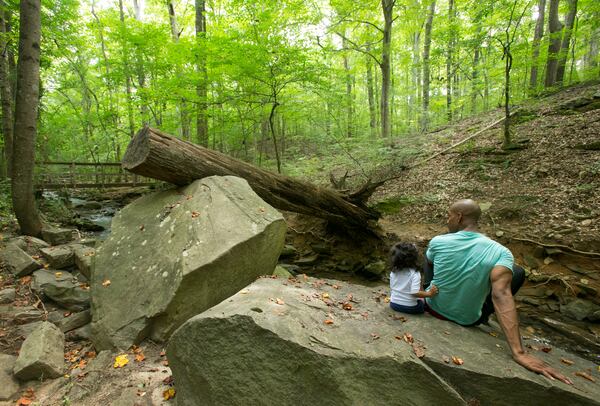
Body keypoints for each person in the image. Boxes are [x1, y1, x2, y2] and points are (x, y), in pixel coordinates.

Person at [424, 199, 572, 384]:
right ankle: (482, 314)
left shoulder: (438, 241)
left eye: (449, 216)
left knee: (430, 256)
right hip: (468, 320)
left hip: (432, 306)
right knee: (516, 272)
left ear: (459, 217)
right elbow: (501, 295)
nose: (447, 220)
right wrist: (519, 353)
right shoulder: (501, 252)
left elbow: (430, 264)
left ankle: (426, 290)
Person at [389, 242, 438, 314]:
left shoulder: (394, 271)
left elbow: (392, 287)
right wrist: (429, 294)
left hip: (393, 304)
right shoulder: (415, 273)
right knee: (423, 301)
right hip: (411, 308)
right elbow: (415, 293)